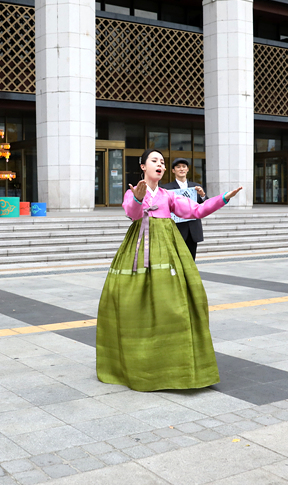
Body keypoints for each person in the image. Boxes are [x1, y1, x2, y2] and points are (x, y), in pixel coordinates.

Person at [95, 149, 241, 392]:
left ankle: (172, 359)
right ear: (143, 166)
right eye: (154, 161)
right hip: (140, 247)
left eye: (162, 162)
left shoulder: (168, 195)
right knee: (134, 302)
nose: (160, 164)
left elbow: (196, 211)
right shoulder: (133, 192)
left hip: (168, 247)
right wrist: (139, 199)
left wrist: (223, 198)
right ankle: (138, 360)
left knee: (172, 303)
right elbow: (132, 214)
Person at [160, 157, 206, 260]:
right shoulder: (166, 189)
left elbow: (205, 205)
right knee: (176, 260)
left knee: (191, 259)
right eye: (178, 167)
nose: (181, 169)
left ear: (187, 169)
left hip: (192, 229)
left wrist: (202, 195)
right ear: (173, 170)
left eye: (184, 167)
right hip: (176, 228)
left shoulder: (196, 187)